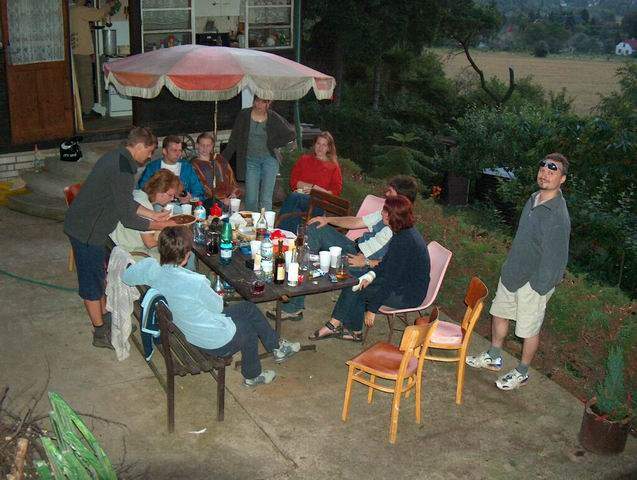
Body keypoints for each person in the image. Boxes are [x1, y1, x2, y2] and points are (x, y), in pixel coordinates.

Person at [121, 226, 301, 386]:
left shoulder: (151, 269)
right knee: (248, 330)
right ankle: (253, 376)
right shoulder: (195, 282)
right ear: (187, 255)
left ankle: (276, 347)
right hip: (209, 341)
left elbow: (126, 277)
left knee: (248, 308)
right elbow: (218, 307)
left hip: (184, 326)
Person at [466, 153, 571, 391]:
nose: (545, 174)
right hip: (512, 273)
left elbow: (557, 259)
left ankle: (522, 372)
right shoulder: (533, 198)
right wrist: (508, 266)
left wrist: (539, 287)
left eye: (552, 171)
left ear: (562, 179)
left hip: (533, 283)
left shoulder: (558, 215)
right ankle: (494, 356)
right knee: (499, 313)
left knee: (528, 330)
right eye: (542, 169)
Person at [64, 127, 176, 349]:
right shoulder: (122, 169)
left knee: (98, 278)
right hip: (86, 232)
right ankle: (100, 333)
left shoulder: (117, 157)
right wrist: (161, 225)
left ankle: (105, 320)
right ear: (139, 146)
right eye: (149, 151)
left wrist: (153, 214)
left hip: (90, 228)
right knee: (91, 284)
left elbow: (125, 201)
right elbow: (128, 218)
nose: (149, 157)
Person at [269, 175, 419, 321]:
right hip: (354, 248)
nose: (386, 194)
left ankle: (292, 305)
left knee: (314, 255)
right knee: (316, 228)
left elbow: (392, 264)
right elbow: (357, 222)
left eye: (390, 191)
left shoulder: (402, 227)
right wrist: (327, 219)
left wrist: (366, 262)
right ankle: (294, 284)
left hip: (363, 264)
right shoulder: (386, 212)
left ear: (401, 197)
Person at [308, 195, 430, 342]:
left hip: (407, 294)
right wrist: (370, 276)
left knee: (356, 286)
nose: (382, 213)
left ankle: (338, 326)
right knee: (358, 281)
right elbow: (387, 264)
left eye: (386, 211)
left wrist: (372, 308)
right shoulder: (401, 233)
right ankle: (352, 330)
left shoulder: (405, 240)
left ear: (394, 216)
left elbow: (391, 280)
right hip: (400, 283)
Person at [221, 97, 295, 211]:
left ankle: (266, 221)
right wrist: (222, 159)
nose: (259, 104)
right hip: (251, 161)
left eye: (263, 102)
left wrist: (274, 143)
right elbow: (234, 139)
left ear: (268, 103)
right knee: (251, 198)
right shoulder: (244, 115)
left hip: (270, 160)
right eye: (257, 100)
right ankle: (252, 220)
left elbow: (290, 134)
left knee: (266, 198)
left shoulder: (273, 117)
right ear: (253, 100)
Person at [277, 131, 342, 233]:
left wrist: (316, 190)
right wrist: (310, 187)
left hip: (318, 204)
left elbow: (335, 192)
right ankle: (291, 237)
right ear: (314, 145)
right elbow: (293, 181)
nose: (320, 147)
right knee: (295, 211)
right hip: (300, 198)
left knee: (294, 197)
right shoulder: (304, 159)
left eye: (324, 145)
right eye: (318, 143)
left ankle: (278, 233)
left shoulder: (333, 167)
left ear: (329, 148)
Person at [110, 169, 182, 260]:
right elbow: (150, 243)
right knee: (173, 256)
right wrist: (172, 241)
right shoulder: (145, 205)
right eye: (170, 195)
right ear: (160, 191)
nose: (172, 199)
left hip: (117, 244)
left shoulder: (137, 193)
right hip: (129, 252)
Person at [70, 0, 113, 119]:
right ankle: (87, 111)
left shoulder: (71, 10)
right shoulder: (79, 10)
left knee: (80, 81)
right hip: (82, 51)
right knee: (86, 82)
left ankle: (81, 109)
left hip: (75, 51)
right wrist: (108, 5)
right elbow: (97, 14)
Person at [138, 135, 204, 205]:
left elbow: (199, 192)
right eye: (174, 150)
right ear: (164, 151)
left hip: (182, 207)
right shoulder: (152, 167)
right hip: (157, 206)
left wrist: (190, 198)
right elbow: (142, 189)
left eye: (180, 150)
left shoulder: (187, 168)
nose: (178, 154)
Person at [191, 132, 241, 209]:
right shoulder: (194, 165)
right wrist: (219, 200)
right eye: (202, 145)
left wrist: (233, 194)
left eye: (208, 145)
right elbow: (201, 188)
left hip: (229, 197)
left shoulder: (219, 159)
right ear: (197, 145)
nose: (205, 148)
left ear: (212, 146)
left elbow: (230, 177)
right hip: (209, 201)